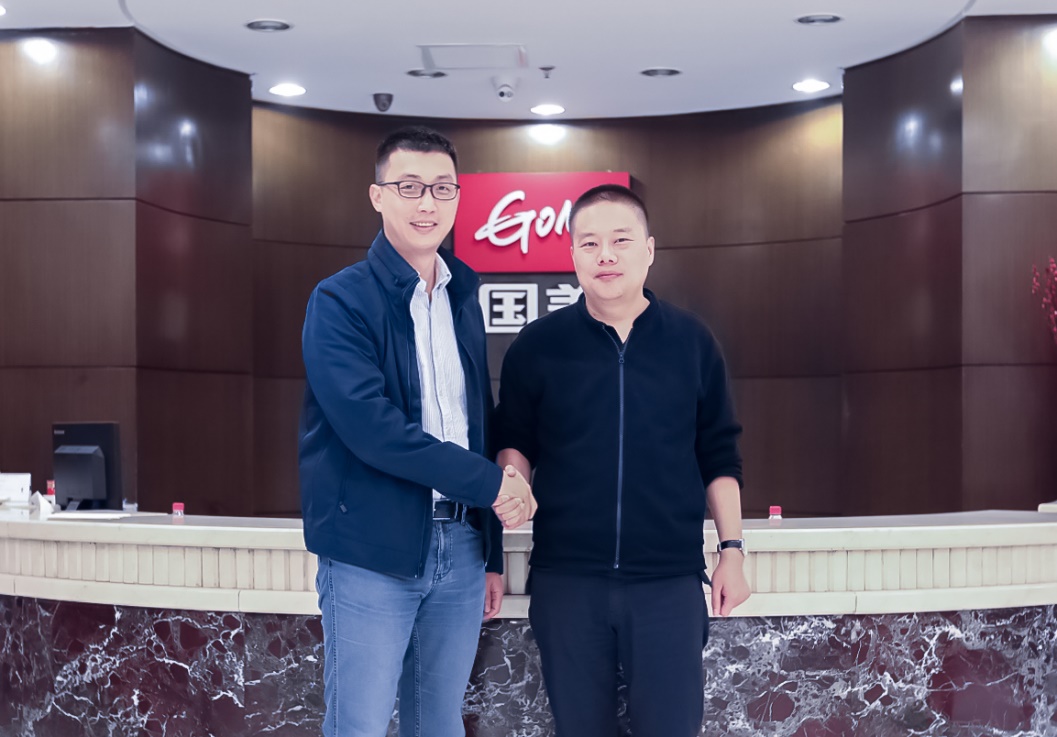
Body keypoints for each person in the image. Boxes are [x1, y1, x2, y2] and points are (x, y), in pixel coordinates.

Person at [299, 125, 534, 737]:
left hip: (460, 550)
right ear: (377, 196)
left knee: (439, 725)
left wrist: (487, 549)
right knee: (359, 727)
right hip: (371, 551)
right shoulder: (340, 300)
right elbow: (372, 429)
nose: (427, 203)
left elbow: (475, 420)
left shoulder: (462, 295)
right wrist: (492, 485)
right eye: (409, 187)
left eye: (442, 188)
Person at [495, 184, 750, 737]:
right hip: (567, 581)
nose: (605, 255)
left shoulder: (692, 342)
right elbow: (514, 439)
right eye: (589, 243)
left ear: (649, 249)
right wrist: (513, 481)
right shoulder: (537, 346)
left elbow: (719, 453)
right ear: (572, 255)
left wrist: (731, 551)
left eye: (621, 240)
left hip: (668, 581)